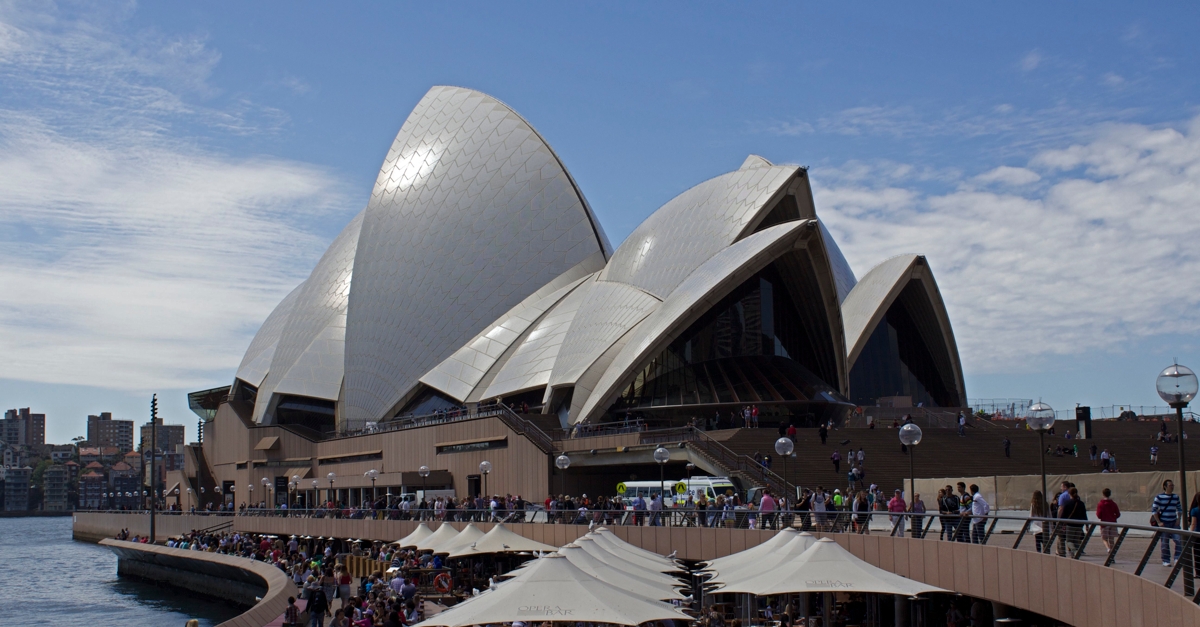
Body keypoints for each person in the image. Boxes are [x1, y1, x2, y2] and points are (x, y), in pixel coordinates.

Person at [1152, 479, 1183, 566]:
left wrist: (1178, 519)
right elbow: (1154, 510)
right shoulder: (1159, 497)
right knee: (1165, 542)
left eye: (1173, 485)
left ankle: (1177, 558)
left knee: (1179, 540)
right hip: (1164, 522)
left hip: (1174, 522)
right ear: (1165, 487)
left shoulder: (1175, 497)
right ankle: (1166, 560)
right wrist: (1159, 522)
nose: (1172, 487)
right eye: (1170, 485)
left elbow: (1179, 509)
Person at [1059, 486, 1088, 556]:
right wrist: (1087, 525)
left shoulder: (1067, 503)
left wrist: (1061, 524)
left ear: (1069, 494)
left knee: (1069, 541)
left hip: (1070, 525)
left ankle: (1075, 551)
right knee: (1076, 541)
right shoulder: (1081, 503)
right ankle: (1075, 555)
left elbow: (1063, 515)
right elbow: (1084, 515)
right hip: (1079, 525)